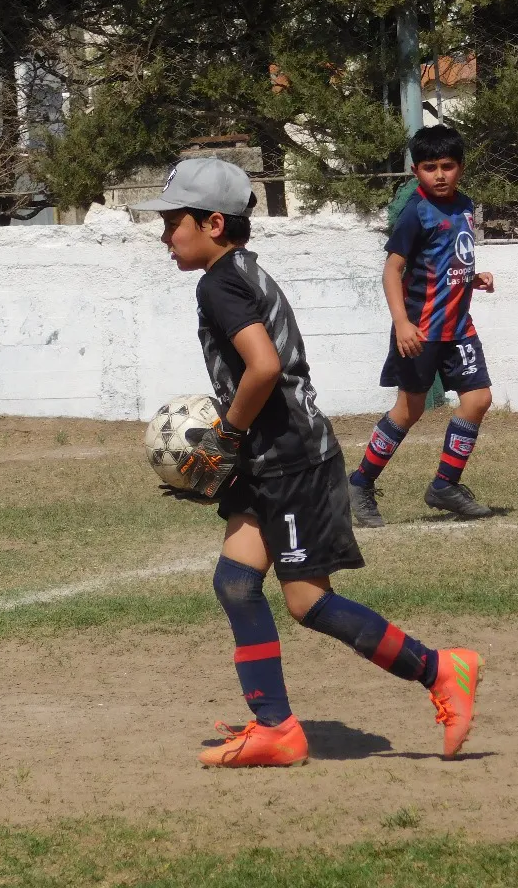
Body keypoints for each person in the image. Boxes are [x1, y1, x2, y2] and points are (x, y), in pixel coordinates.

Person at [134, 158, 481, 767]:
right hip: (267, 458)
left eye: (172, 222)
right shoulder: (238, 270)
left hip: (291, 459)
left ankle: (440, 670)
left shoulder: (220, 283)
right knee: (236, 582)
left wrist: (225, 437)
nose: (166, 236)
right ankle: (276, 727)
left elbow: (264, 367)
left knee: (307, 602)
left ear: (213, 222)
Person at [348, 125, 497, 527]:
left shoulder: (464, 205)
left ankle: (445, 484)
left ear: (461, 168)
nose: (440, 174)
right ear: (417, 172)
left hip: (458, 328)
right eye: (430, 167)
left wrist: (472, 277)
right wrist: (401, 323)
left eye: (447, 166)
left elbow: (448, 260)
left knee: (478, 399)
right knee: (408, 410)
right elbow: (392, 270)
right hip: (421, 330)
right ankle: (359, 483)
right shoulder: (416, 211)